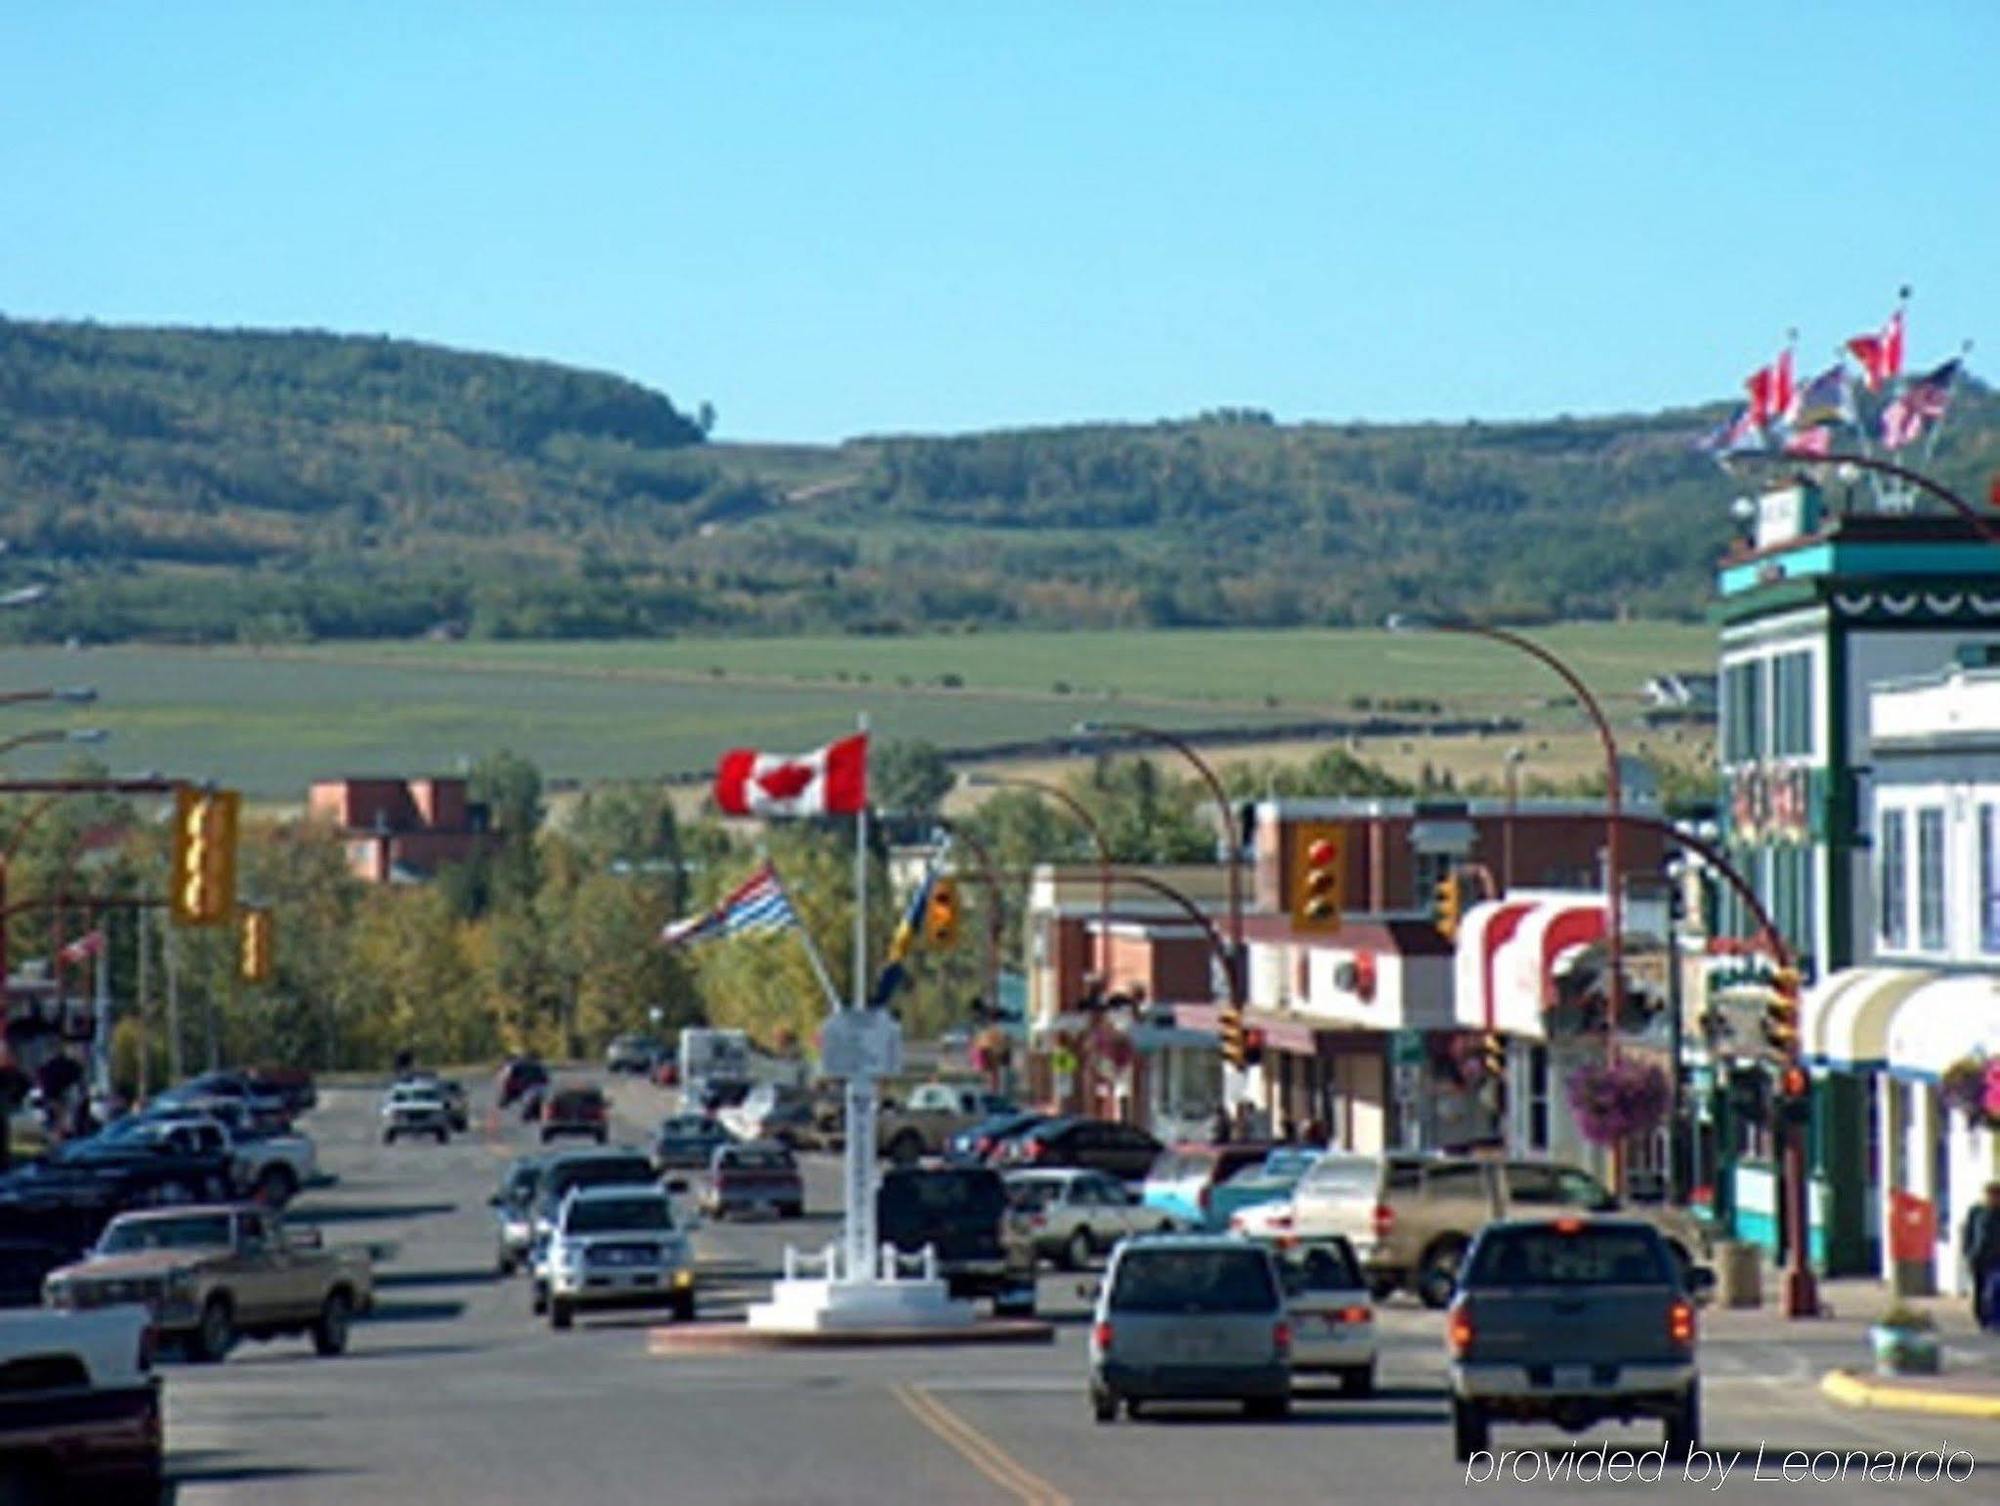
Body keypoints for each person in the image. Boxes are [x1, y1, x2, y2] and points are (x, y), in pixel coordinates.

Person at [1965, 1181, 2000, 1331]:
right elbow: (1969, 1232)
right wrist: (1968, 1252)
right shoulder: (1976, 1211)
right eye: (1989, 1195)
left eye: (1995, 1196)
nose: (1992, 1199)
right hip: (1978, 1257)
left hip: (1996, 1257)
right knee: (1979, 1289)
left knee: (1994, 1289)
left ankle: (1995, 1319)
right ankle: (1982, 1318)